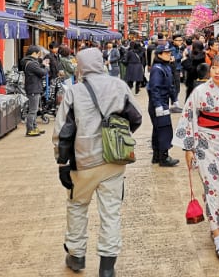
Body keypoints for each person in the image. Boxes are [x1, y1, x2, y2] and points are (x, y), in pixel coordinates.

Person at [53, 47, 143, 277]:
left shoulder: (74, 91)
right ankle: (106, 267)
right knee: (111, 212)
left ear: (81, 66)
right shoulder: (119, 85)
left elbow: (63, 131)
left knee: (77, 206)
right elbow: (136, 117)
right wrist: (119, 136)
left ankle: (76, 256)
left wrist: (62, 163)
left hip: (82, 162)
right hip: (114, 161)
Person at [173, 55, 219, 259]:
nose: (216, 72)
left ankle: (214, 215)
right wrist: (188, 148)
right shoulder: (199, 92)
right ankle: (217, 234)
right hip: (203, 143)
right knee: (211, 185)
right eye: (214, 68)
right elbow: (188, 118)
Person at [147, 43, 180, 167]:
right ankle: (164, 157)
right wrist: (158, 105)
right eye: (166, 53)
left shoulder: (166, 66)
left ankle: (157, 156)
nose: (169, 55)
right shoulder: (157, 69)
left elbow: (170, 85)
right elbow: (154, 88)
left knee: (158, 130)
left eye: (169, 53)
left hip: (163, 102)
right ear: (159, 55)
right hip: (159, 103)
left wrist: (174, 98)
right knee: (164, 130)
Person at [21, 45, 49, 137]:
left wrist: (41, 65)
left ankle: (34, 127)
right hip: (33, 88)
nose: (39, 56)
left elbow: (36, 70)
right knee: (33, 110)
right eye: (38, 54)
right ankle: (30, 129)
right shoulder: (32, 63)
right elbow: (42, 73)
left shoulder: (28, 62)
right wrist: (46, 66)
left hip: (33, 87)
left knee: (34, 109)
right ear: (34, 53)